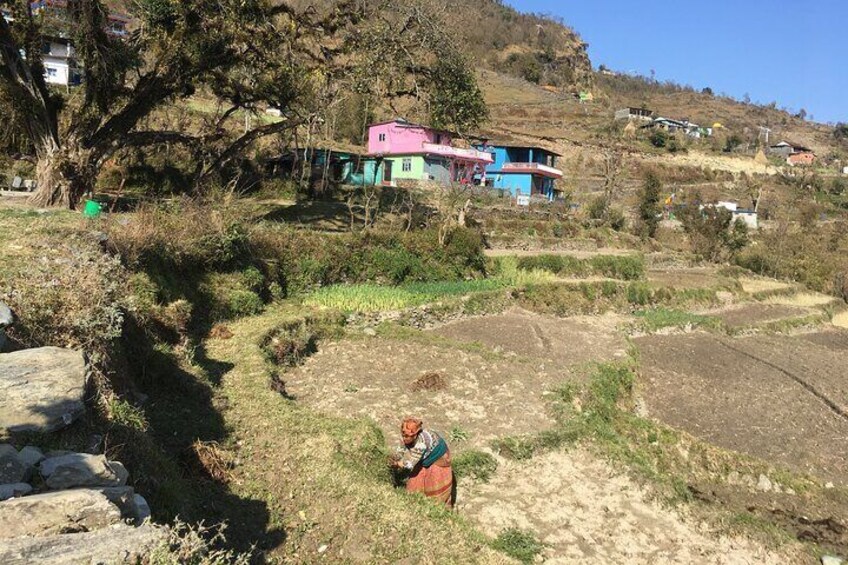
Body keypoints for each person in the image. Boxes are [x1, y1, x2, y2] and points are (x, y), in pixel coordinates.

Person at [390, 417, 453, 507]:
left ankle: (436, 507)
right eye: (403, 435)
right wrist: (395, 457)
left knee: (435, 486)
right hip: (424, 454)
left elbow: (410, 464)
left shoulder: (421, 445)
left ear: (415, 435)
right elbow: (401, 449)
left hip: (438, 456)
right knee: (414, 485)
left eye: (407, 436)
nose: (404, 438)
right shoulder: (405, 437)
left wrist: (397, 464)